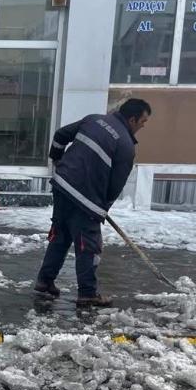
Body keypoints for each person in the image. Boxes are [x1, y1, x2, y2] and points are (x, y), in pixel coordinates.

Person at [35, 98, 152, 307]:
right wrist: (102, 208)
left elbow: (60, 135)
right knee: (88, 246)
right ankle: (88, 293)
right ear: (132, 119)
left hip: (62, 186)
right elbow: (115, 185)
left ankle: (44, 282)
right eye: (143, 121)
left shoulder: (93, 120)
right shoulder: (125, 146)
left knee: (59, 236)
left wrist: (57, 159)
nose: (143, 126)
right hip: (86, 201)